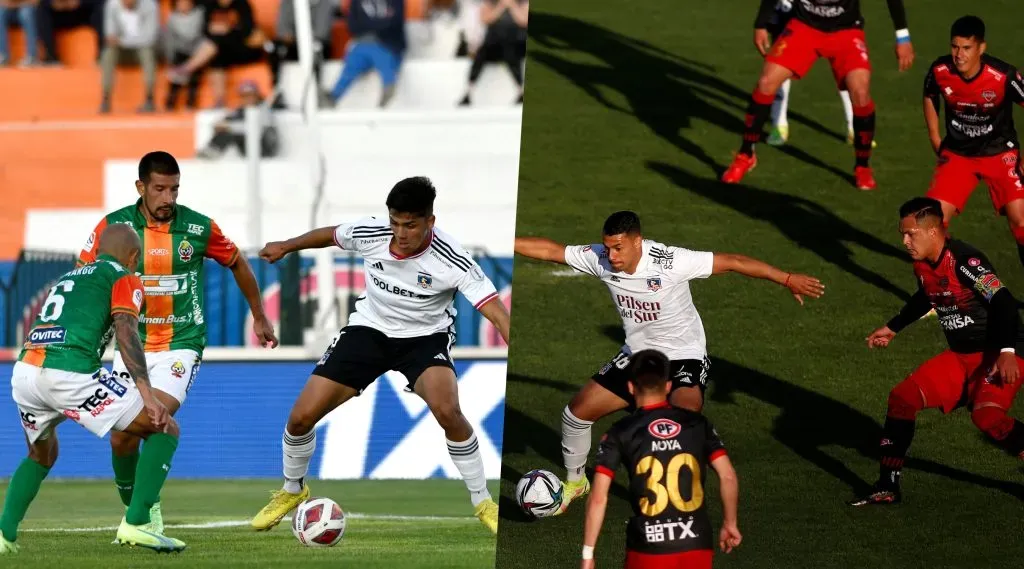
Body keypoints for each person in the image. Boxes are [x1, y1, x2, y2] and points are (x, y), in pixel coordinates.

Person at [513, 210, 824, 513]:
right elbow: (551, 250)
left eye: (618, 248)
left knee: (682, 417)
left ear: (638, 242)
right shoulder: (601, 258)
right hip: (638, 355)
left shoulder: (670, 261)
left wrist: (786, 278)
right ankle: (576, 483)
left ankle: (677, 492)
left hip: (683, 355)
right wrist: (500, 240)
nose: (612, 256)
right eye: (607, 247)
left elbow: (733, 262)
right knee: (575, 414)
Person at [250, 176, 509, 534]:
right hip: (368, 331)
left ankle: (482, 502)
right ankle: (292, 490)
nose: (400, 234)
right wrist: (287, 246)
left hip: (424, 339)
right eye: (395, 223)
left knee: (448, 411)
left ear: (430, 222)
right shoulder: (373, 234)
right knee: (299, 418)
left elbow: (496, 311)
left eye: (410, 225)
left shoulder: (453, 259)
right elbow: (331, 234)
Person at [77, 151, 278, 534]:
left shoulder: (199, 228)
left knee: (156, 420)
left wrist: (259, 314)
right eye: (160, 188)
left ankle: (140, 516)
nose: (169, 197)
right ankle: (140, 509)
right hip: (131, 346)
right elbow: (86, 274)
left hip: (180, 343)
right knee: (121, 438)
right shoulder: (114, 227)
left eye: (174, 189)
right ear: (141, 187)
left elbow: (236, 260)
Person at [1, 224, 187, 554]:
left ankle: (4, 534)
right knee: (164, 426)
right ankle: (138, 522)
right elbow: (127, 331)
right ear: (133, 257)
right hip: (69, 371)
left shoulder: (69, 277)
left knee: (42, 454)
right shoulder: (124, 277)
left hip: (26, 371)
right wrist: (148, 396)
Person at [849, 197, 1024, 507]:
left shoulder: (964, 261)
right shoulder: (922, 264)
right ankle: (887, 486)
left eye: (910, 233)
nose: (904, 241)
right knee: (902, 399)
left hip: (997, 355)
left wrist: (1007, 351)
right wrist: (893, 327)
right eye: (901, 233)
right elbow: (926, 295)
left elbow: (1004, 302)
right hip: (960, 358)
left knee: (986, 416)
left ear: (933, 231)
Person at [721, 0, 915, 190]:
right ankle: (746, 155)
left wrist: (902, 36)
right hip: (804, 27)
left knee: (861, 92)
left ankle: (862, 166)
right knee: (766, 83)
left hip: (846, 31)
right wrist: (760, 24)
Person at [580, 349, 741, 569]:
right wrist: (730, 523)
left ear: (630, 387)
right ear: (668, 386)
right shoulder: (697, 424)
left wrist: (588, 554)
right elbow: (728, 476)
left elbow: (598, 498)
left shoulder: (621, 431)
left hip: (648, 546)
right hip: (696, 543)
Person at [922, 16, 1024, 270]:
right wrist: (935, 136)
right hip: (958, 156)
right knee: (930, 223)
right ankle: (939, 294)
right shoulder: (940, 71)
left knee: (1021, 220)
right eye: (955, 46)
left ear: (981, 48)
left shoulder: (1003, 76)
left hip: (999, 153)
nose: (959, 54)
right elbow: (929, 95)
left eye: (966, 48)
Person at [763, 0, 876, 149]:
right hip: (786, 8)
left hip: (831, 15)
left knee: (846, 69)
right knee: (781, 66)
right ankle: (779, 123)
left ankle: (853, 127)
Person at [99, 0, 160, 114]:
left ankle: (149, 98)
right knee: (108, 53)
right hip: (122, 51)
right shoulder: (112, 5)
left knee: (147, 53)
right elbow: (110, 34)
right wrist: (119, 41)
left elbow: (149, 38)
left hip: (141, 50)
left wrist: (122, 41)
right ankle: (105, 99)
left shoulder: (150, 5)